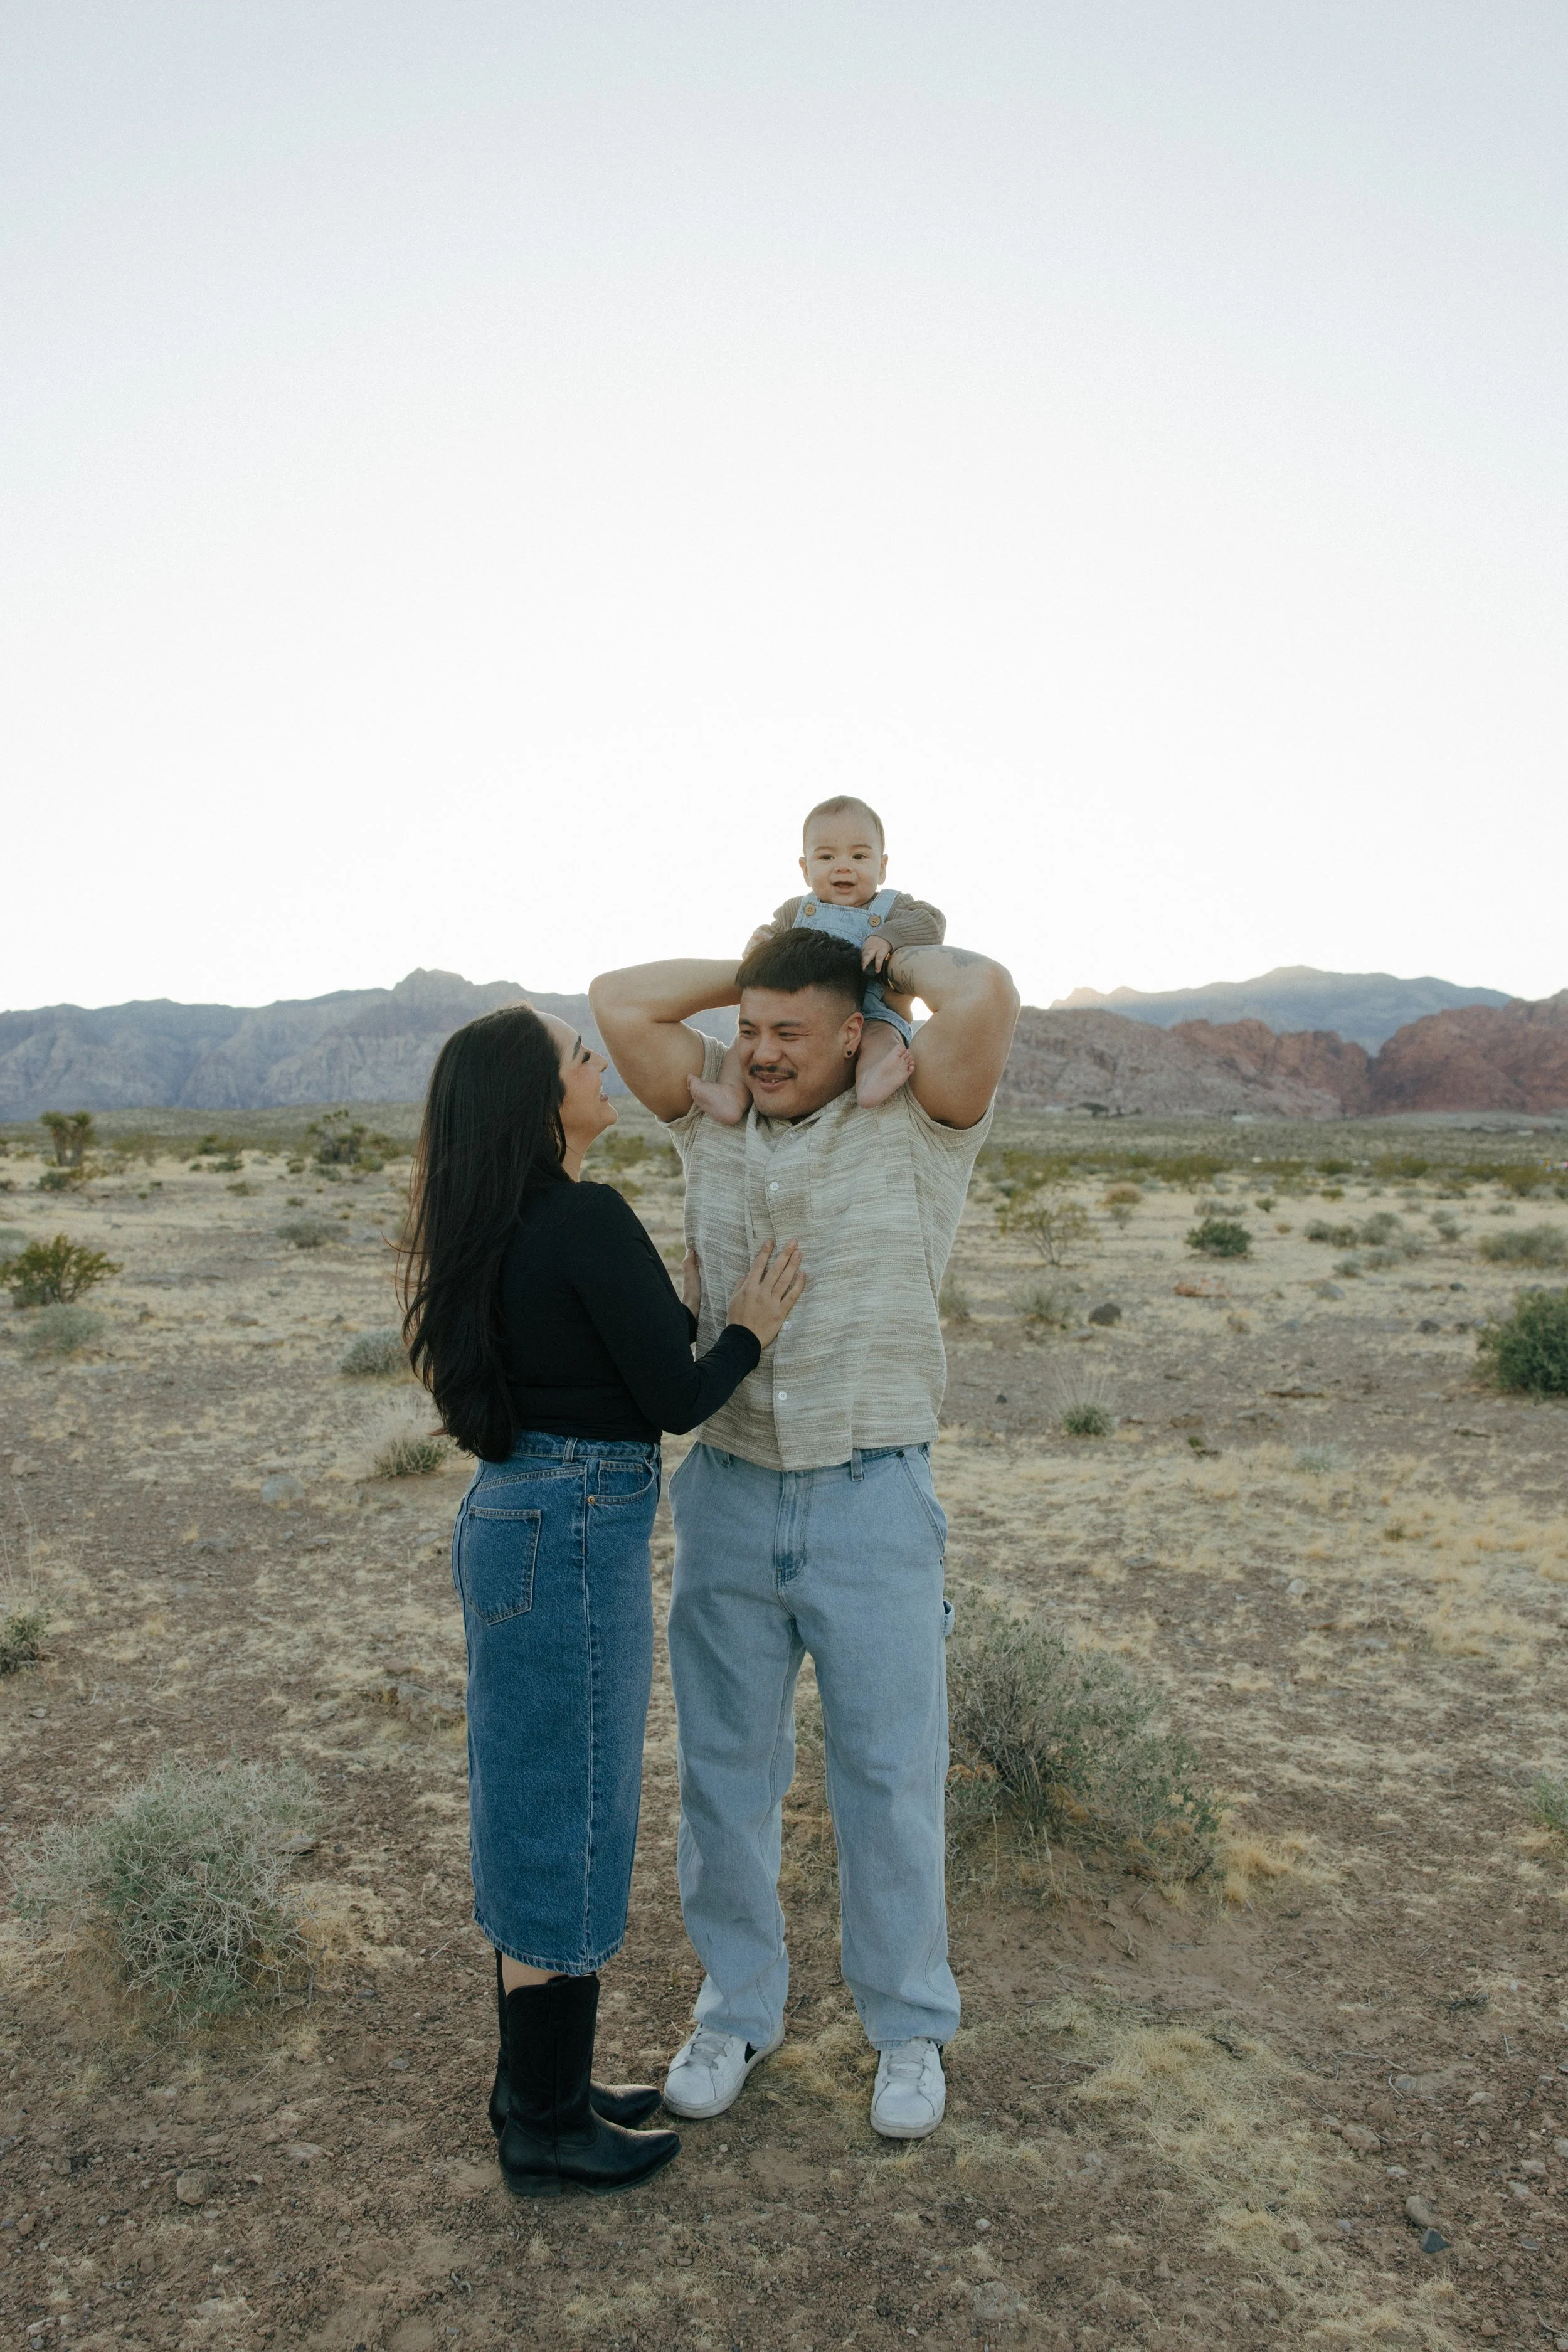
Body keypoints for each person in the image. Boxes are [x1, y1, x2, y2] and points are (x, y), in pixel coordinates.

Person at [591, 916, 1017, 2141]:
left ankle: (906, 2030)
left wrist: (870, 965)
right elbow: (618, 1001)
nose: (762, 1053)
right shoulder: (710, 1112)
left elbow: (983, 996)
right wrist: (770, 968)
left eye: (791, 1031)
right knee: (725, 1779)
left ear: (852, 1034)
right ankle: (735, 2007)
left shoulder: (914, 1119)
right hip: (726, 1489)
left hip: (871, 1495)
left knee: (887, 1782)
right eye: (749, 1031)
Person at [398, 1002, 805, 2197]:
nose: (600, 1065)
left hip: (520, 1515)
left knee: (535, 1799)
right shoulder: (582, 1216)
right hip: (576, 1528)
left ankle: (545, 2091)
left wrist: (675, 1309)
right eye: (581, 1059)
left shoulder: (505, 1223)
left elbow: (607, 1363)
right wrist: (749, 1327)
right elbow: (678, 1398)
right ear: (544, 1106)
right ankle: (546, 2126)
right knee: (568, 1807)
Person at [686, 795, 945, 1120]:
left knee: (881, 1037)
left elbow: (931, 922)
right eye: (826, 856)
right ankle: (732, 1094)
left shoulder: (893, 907)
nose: (843, 866)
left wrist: (888, 938)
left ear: (881, 867)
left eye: (859, 855)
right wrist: (762, 942)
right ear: (806, 869)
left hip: (875, 1007)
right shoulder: (797, 910)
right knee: (749, 1037)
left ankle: (871, 1081)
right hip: (800, 1017)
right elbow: (775, 933)